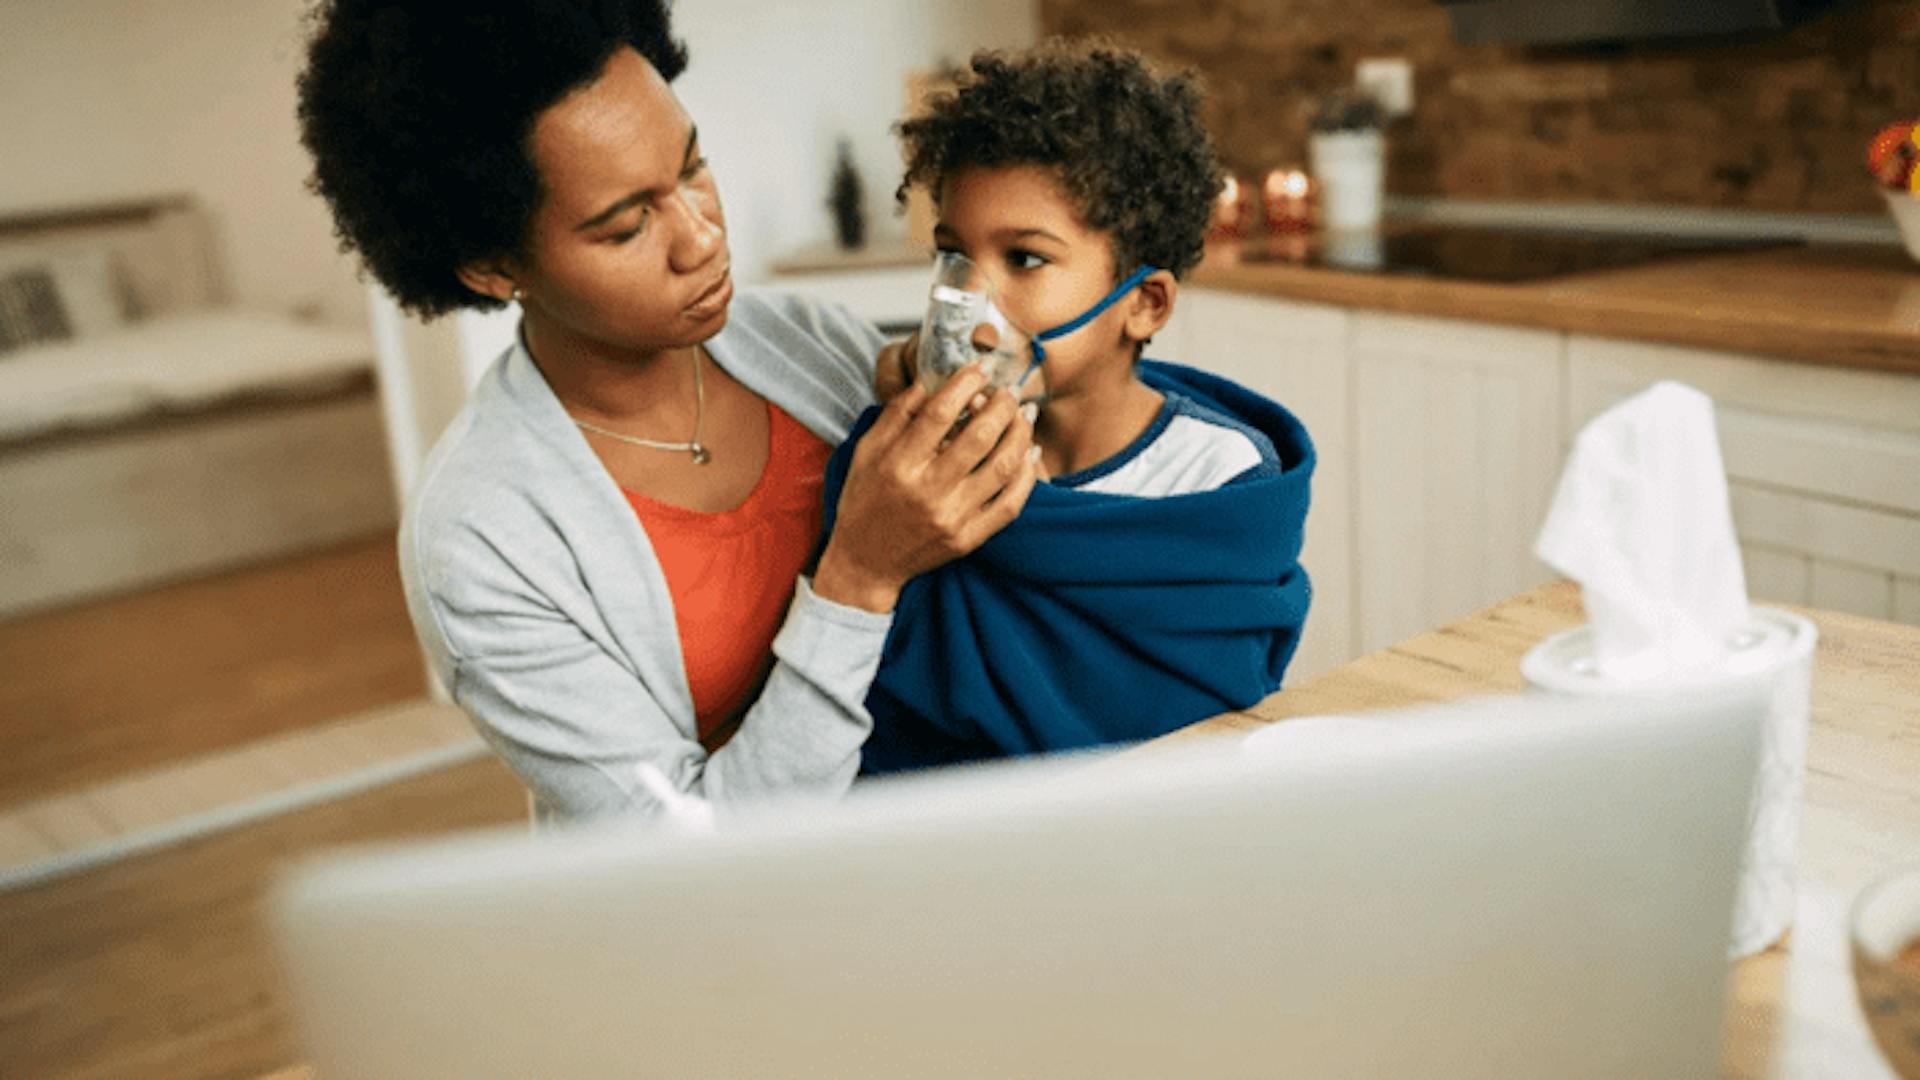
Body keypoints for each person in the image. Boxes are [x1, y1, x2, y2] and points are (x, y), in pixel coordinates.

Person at [295, 0, 1040, 824]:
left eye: (692, 168)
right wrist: (858, 577)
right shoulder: (480, 541)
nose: (701, 238)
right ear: (492, 267)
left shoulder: (809, 342)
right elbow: (685, 846)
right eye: (626, 226)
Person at [828, 40, 1315, 774]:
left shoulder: (1219, 486)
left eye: (1024, 259)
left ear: (1145, 305)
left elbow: (1203, 731)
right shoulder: (923, 465)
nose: (970, 306)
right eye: (953, 256)